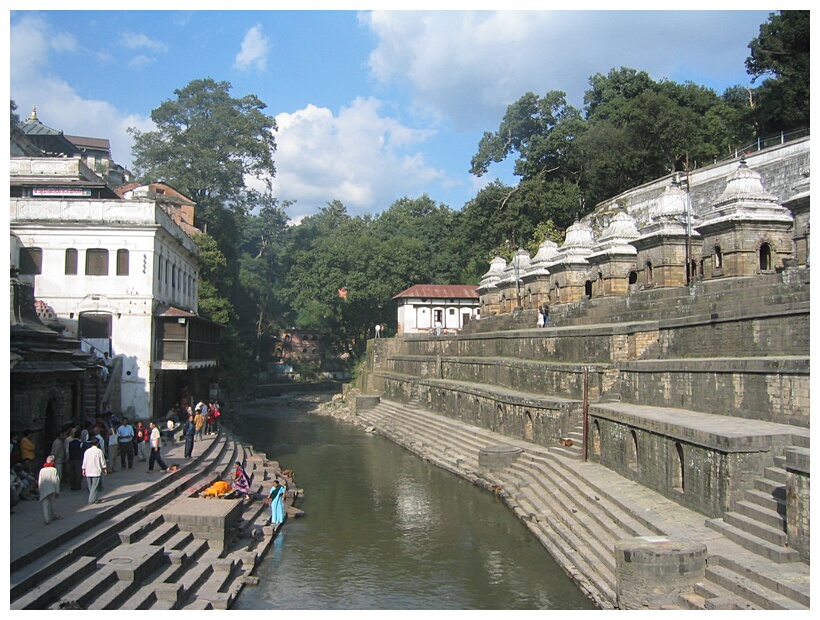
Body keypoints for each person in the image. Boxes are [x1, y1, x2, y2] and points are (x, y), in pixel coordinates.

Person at [81, 438, 107, 504]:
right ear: (97, 443)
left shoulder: (87, 451)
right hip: (96, 470)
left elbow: (84, 460)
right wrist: (105, 468)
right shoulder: (99, 451)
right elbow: (102, 461)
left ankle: (94, 498)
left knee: (91, 487)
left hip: (88, 470)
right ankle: (91, 500)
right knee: (94, 486)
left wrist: (83, 468)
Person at [38, 455, 61, 524]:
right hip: (52, 489)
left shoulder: (42, 470)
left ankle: (47, 519)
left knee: (45, 504)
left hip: (44, 489)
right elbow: (56, 480)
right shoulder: (53, 470)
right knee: (52, 503)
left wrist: (40, 490)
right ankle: (53, 515)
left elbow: (40, 481)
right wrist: (57, 491)